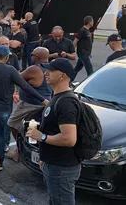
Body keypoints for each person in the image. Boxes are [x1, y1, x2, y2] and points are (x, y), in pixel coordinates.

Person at [0, 46, 49, 173]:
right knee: (0, 135)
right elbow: (25, 86)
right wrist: (43, 99)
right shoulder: (11, 70)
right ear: (6, 58)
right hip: (3, 108)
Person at [26, 58, 80, 205]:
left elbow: (69, 139)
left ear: (62, 75)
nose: (46, 73)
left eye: (50, 70)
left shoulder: (66, 103)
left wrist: (41, 137)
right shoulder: (56, 98)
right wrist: (45, 156)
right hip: (53, 163)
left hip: (62, 168)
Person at [6, 47, 52, 162]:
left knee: (12, 123)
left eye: (32, 55)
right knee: (33, 126)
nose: (31, 56)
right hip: (46, 101)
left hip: (31, 103)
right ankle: (22, 149)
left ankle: (20, 149)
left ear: (36, 57)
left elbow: (17, 78)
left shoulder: (34, 69)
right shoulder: (50, 68)